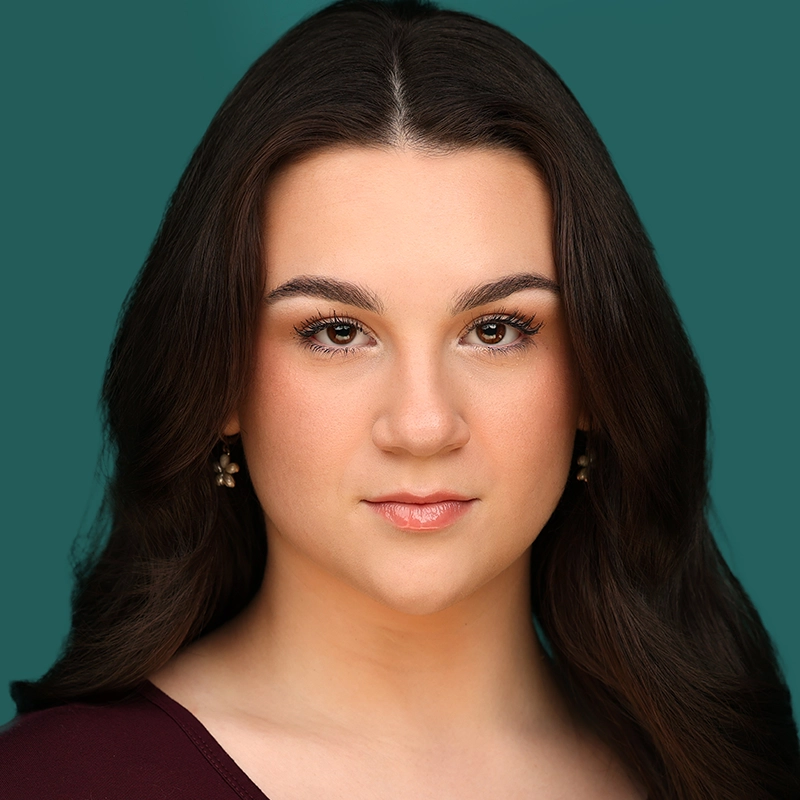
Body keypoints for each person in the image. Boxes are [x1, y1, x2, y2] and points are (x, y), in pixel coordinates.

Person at [1, 0, 798, 797]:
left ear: (597, 374)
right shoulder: (51, 782)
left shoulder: (721, 775)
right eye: (338, 332)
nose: (423, 425)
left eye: (495, 330)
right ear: (220, 382)